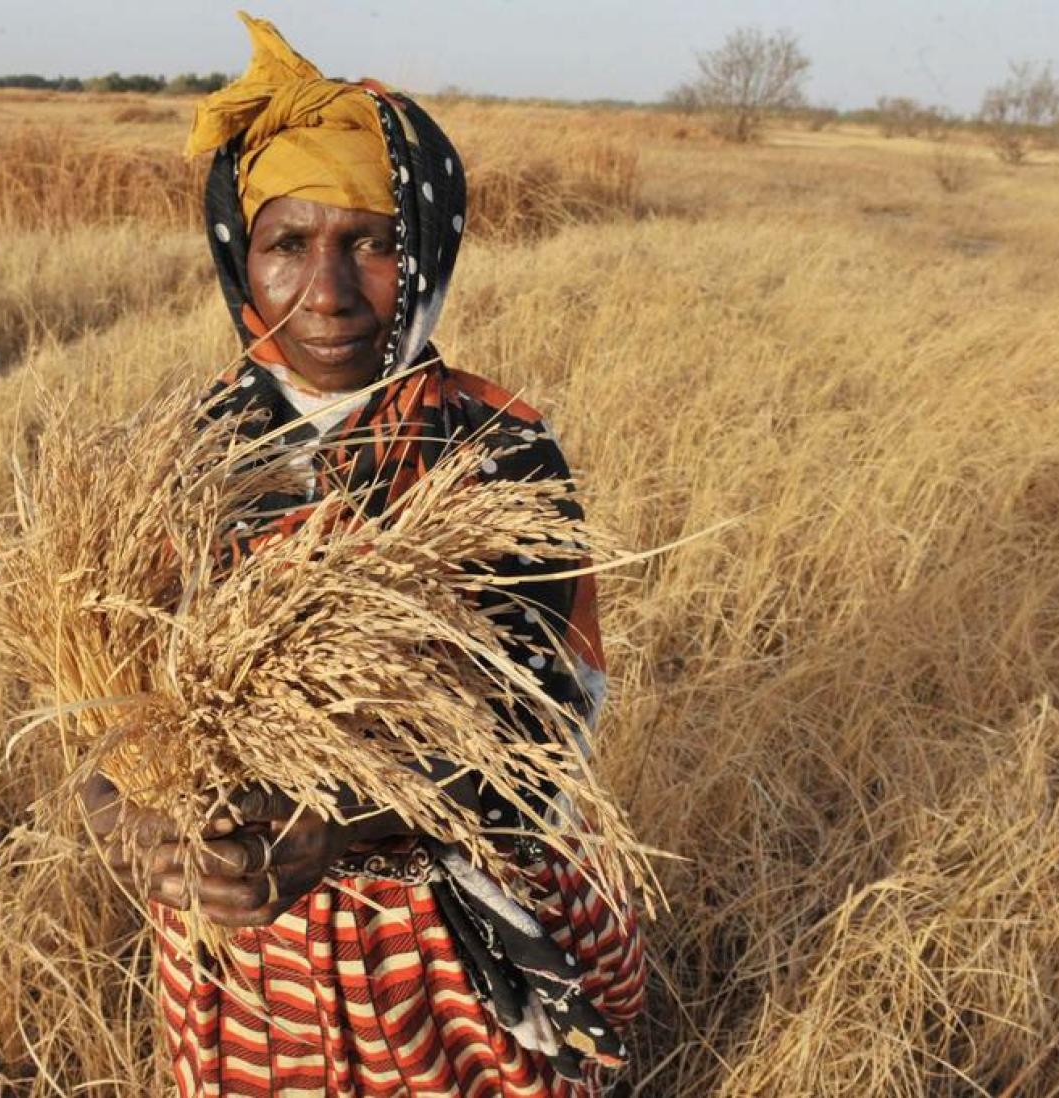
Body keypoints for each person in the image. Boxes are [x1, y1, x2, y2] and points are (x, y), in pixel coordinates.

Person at [82, 14, 646, 1095]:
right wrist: (133, 814)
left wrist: (332, 828)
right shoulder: (180, 459)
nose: (328, 293)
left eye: (373, 243)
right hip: (247, 949)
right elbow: (119, 704)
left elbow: (544, 724)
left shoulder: (497, 448)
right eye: (288, 243)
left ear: (427, 250)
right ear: (238, 255)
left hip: (445, 932)